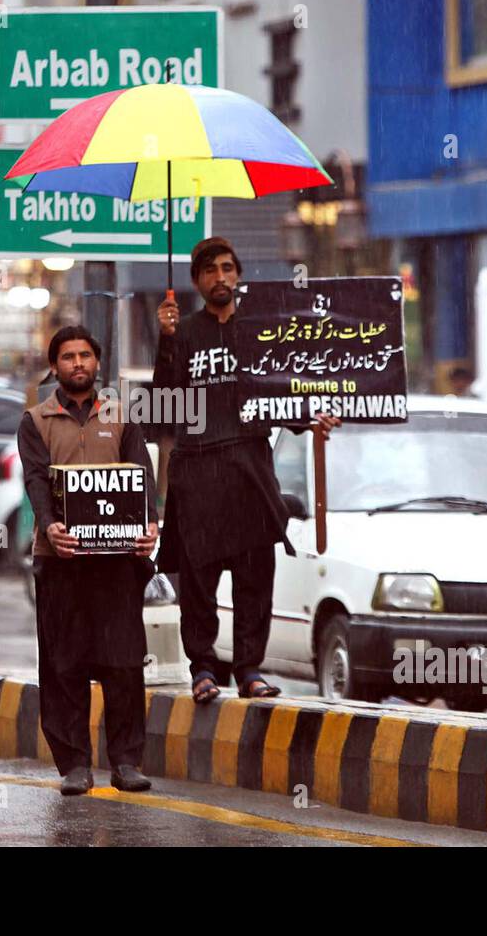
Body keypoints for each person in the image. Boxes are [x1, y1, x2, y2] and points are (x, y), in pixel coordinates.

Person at [154, 237, 339, 704]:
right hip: (196, 477)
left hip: (252, 476)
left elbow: (285, 389)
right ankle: (202, 668)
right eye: (211, 270)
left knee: (256, 579)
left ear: (238, 274)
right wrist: (167, 340)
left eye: (228, 268)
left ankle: (249, 669)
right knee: (198, 583)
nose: (221, 277)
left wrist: (312, 415)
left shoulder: (260, 329)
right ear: (196, 281)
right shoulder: (184, 333)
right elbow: (162, 409)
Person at [17, 325, 160, 796]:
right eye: (67, 357)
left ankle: (126, 762)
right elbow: (37, 481)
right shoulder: (36, 420)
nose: (77, 363)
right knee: (64, 664)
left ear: (97, 363)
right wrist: (49, 525)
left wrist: (149, 526)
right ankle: (74, 764)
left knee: (123, 661)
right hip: (60, 561)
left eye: (85, 356)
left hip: (116, 562)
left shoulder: (122, 416)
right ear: (55, 366)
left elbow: (142, 474)